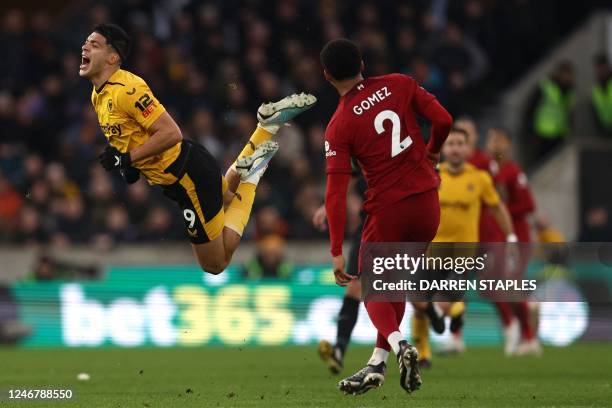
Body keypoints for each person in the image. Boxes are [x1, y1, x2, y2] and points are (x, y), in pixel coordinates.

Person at [79, 23, 315, 273]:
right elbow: (131, 136)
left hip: (187, 179)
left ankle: (256, 164)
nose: (85, 46)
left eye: (94, 44)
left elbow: (171, 133)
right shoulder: (99, 94)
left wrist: (127, 159)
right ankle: (265, 129)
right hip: (190, 168)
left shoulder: (126, 89)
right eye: (86, 41)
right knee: (225, 197)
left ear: (113, 57)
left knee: (215, 264)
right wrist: (130, 164)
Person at [320, 38, 452, 395]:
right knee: (394, 281)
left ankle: (398, 344)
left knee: (372, 286)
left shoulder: (339, 124)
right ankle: (377, 364)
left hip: (389, 207)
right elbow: (443, 119)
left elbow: (335, 193)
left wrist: (335, 249)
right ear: (362, 63)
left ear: (327, 75)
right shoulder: (400, 83)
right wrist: (433, 152)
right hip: (427, 202)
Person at [411, 127, 516, 367]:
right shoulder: (431, 175)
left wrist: (510, 237)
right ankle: (424, 353)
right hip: (432, 249)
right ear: (443, 148)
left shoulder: (480, 178)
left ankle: (453, 312)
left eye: (460, 143)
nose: (455, 148)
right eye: (451, 144)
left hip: (463, 253)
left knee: (443, 302)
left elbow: (497, 208)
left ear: (469, 149)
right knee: (417, 301)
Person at [486, 128, 541, 356]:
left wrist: (502, 210)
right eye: (491, 139)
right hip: (495, 237)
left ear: (507, 143)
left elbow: (529, 205)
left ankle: (528, 336)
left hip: (516, 238)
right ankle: (517, 325)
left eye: (498, 139)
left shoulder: (513, 171)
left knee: (509, 285)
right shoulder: (488, 170)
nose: (493, 144)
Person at [527, 61, 575, 160]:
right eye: (565, 74)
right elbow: (530, 110)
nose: (566, 78)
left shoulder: (570, 93)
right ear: (558, 74)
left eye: (569, 75)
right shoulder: (545, 87)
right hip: (543, 135)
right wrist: (531, 132)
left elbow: (569, 115)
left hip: (560, 136)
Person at [592, 53, 612, 136]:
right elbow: (595, 112)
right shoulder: (596, 89)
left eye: (603, 67)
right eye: (599, 67)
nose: (601, 70)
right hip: (604, 130)